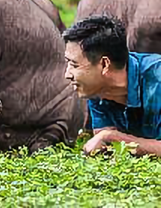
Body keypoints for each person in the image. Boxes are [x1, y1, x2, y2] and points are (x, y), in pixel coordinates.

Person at [62, 14, 161, 157]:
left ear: (104, 64)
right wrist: (107, 139)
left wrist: (111, 137)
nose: (67, 74)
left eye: (74, 65)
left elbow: (108, 139)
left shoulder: (157, 79)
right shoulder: (97, 90)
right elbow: (105, 148)